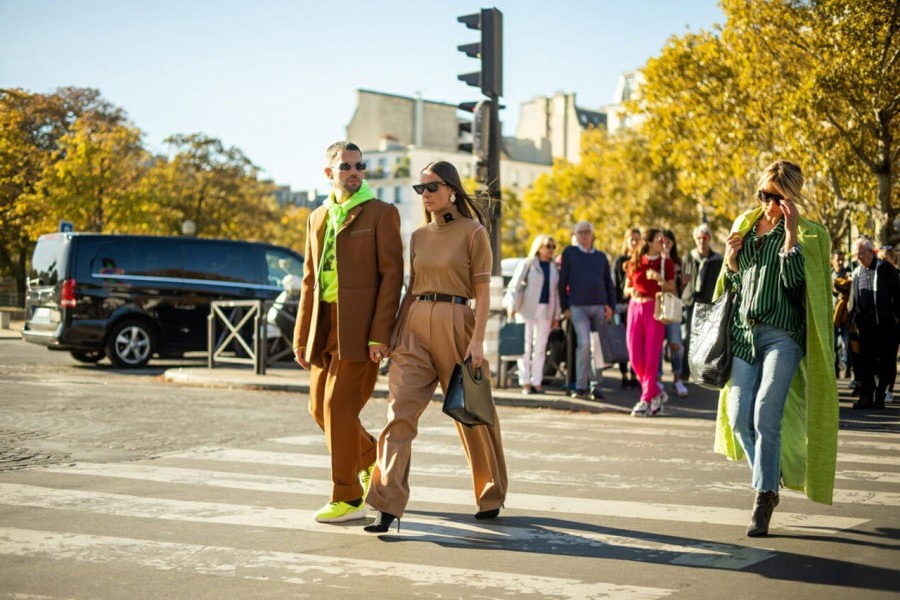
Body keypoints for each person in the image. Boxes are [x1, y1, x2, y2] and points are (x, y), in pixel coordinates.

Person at [364, 160, 508, 533]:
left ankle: (490, 492)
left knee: (472, 413)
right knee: (399, 413)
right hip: (414, 327)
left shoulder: (474, 233)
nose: (425, 194)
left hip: (457, 322)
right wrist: (395, 333)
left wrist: (477, 341)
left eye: (431, 187)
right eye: (420, 189)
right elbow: (411, 289)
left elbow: (482, 292)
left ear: (452, 190)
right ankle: (386, 504)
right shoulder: (417, 237)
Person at [714, 159, 838, 537]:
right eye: (763, 194)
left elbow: (795, 284)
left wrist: (790, 234)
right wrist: (732, 260)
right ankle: (767, 475)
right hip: (744, 334)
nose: (767, 202)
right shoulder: (745, 225)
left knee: (765, 412)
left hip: (783, 336)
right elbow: (734, 284)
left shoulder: (812, 235)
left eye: (775, 196)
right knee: (739, 419)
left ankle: (764, 495)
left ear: (790, 196)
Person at [292, 141, 404, 523]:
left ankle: (349, 497)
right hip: (322, 325)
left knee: (338, 408)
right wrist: (301, 336)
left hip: (360, 329)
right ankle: (369, 457)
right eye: (346, 167)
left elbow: (393, 277)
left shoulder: (381, 213)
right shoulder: (317, 217)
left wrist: (380, 334)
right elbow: (309, 280)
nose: (354, 172)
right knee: (317, 409)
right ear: (329, 173)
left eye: (359, 166)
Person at [558, 221, 617, 400]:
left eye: (586, 232)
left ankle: (596, 386)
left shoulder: (600, 256)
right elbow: (562, 282)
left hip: (599, 306)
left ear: (592, 235)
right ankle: (581, 386)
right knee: (584, 345)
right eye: (580, 232)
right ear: (575, 235)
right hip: (577, 306)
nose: (583, 235)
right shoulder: (570, 253)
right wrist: (565, 307)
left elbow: (609, 283)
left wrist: (611, 307)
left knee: (597, 347)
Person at [624, 228, 676, 416]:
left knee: (652, 356)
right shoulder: (634, 261)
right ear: (649, 242)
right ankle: (656, 392)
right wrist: (632, 292)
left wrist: (660, 279)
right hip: (635, 308)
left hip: (654, 309)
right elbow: (626, 288)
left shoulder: (666, 263)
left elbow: (673, 290)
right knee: (634, 355)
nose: (663, 241)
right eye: (658, 239)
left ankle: (645, 399)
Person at [503, 234, 561, 395]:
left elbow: (555, 293)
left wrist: (556, 315)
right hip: (526, 309)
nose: (550, 249)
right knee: (525, 347)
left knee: (541, 348)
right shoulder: (528, 264)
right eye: (548, 246)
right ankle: (525, 382)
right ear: (539, 247)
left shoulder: (554, 267)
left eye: (553, 246)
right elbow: (514, 286)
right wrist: (512, 307)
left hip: (546, 310)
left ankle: (537, 382)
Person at [848, 237, 900, 410]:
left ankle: (880, 396)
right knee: (866, 363)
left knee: (885, 362)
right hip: (865, 326)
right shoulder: (856, 273)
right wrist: (852, 321)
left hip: (885, 326)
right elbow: (853, 300)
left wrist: (896, 318)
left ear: (870, 252)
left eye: (860, 254)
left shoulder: (885, 269)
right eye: (855, 255)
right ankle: (866, 397)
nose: (858, 258)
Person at [680, 223, 723, 382]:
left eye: (704, 238)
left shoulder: (717, 260)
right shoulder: (689, 257)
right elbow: (682, 280)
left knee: (708, 341)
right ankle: (685, 374)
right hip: (691, 303)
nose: (701, 241)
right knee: (688, 339)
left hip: (709, 305)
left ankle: (704, 374)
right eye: (698, 238)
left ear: (709, 239)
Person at [659, 229, 688, 397]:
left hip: (673, 305)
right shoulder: (655, 261)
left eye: (668, 242)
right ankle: (657, 380)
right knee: (656, 346)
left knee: (676, 344)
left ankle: (678, 379)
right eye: (662, 241)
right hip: (657, 306)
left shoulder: (678, 262)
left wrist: (683, 283)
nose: (665, 245)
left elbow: (680, 288)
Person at [612, 228, 641, 389]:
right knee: (623, 340)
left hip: (638, 304)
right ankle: (623, 374)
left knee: (636, 341)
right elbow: (616, 284)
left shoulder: (642, 259)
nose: (634, 242)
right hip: (622, 305)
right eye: (632, 239)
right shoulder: (620, 260)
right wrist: (615, 303)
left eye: (637, 239)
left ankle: (634, 373)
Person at [830, 251, 852, 380]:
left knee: (845, 343)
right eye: (838, 259)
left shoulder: (847, 274)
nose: (840, 262)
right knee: (832, 345)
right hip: (832, 316)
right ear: (832, 261)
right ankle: (835, 369)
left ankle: (846, 368)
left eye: (842, 259)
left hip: (845, 316)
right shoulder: (829, 275)